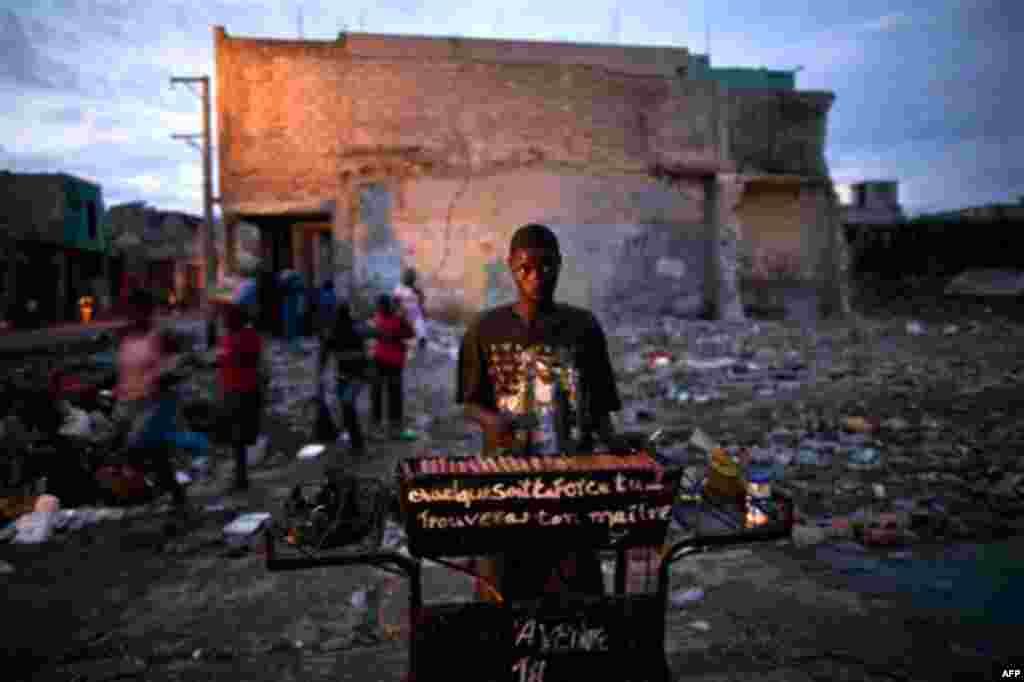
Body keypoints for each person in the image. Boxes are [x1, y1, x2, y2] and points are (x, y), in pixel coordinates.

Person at [456, 223, 623, 603]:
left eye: (546, 267)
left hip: (571, 480)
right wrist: (492, 421)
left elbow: (599, 406)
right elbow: (469, 402)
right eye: (525, 269)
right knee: (503, 587)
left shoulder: (584, 327)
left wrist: (616, 444)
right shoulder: (485, 328)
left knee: (574, 584)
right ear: (510, 267)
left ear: (560, 265)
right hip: (505, 479)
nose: (536, 278)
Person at [113, 289, 187, 513]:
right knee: (156, 453)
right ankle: (172, 495)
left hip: (154, 402)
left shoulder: (159, 337)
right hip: (129, 402)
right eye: (130, 312)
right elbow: (123, 371)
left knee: (139, 448)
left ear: (147, 312)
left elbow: (179, 362)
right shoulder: (125, 338)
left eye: (138, 311)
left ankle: (159, 492)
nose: (133, 316)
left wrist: (162, 376)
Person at [318, 302, 377, 456]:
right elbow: (376, 332)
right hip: (356, 374)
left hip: (346, 376)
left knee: (346, 406)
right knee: (346, 407)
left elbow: (323, 356)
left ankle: (356, 442)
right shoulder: (357, 329)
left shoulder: (333, 332)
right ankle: (354, 440)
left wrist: (320, 374)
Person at [218, 303, 266, 492]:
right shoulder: (249, 337)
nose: (224, 323)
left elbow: (233, 361)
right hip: (244, 390)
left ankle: (241, 478)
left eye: (226, 320)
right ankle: (241, 475)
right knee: (240, 437)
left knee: (237, 437)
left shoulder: (235, 339)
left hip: (238, 391)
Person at [370, 294, 414, 440]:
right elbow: (410, 333)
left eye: (381, 306)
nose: (381, 308)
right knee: (392, 392)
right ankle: (392, 422)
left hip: (383, 359)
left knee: (379, 391)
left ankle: (380, 422)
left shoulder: (380, 318)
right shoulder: (395, 318)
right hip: (392, 360)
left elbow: (409, 333)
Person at [392, 268, 427, 352]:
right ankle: (399, 340)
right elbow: (395, 300)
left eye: (412, 278)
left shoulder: (416, 288)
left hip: (415, 312)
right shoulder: (399, 287)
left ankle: (421, 342)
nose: (411, 279)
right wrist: (400, 309)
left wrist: (418, 293)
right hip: (403, 312)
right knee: (400, 326)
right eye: (409, 277)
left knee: (420, 325)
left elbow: (422, 300)